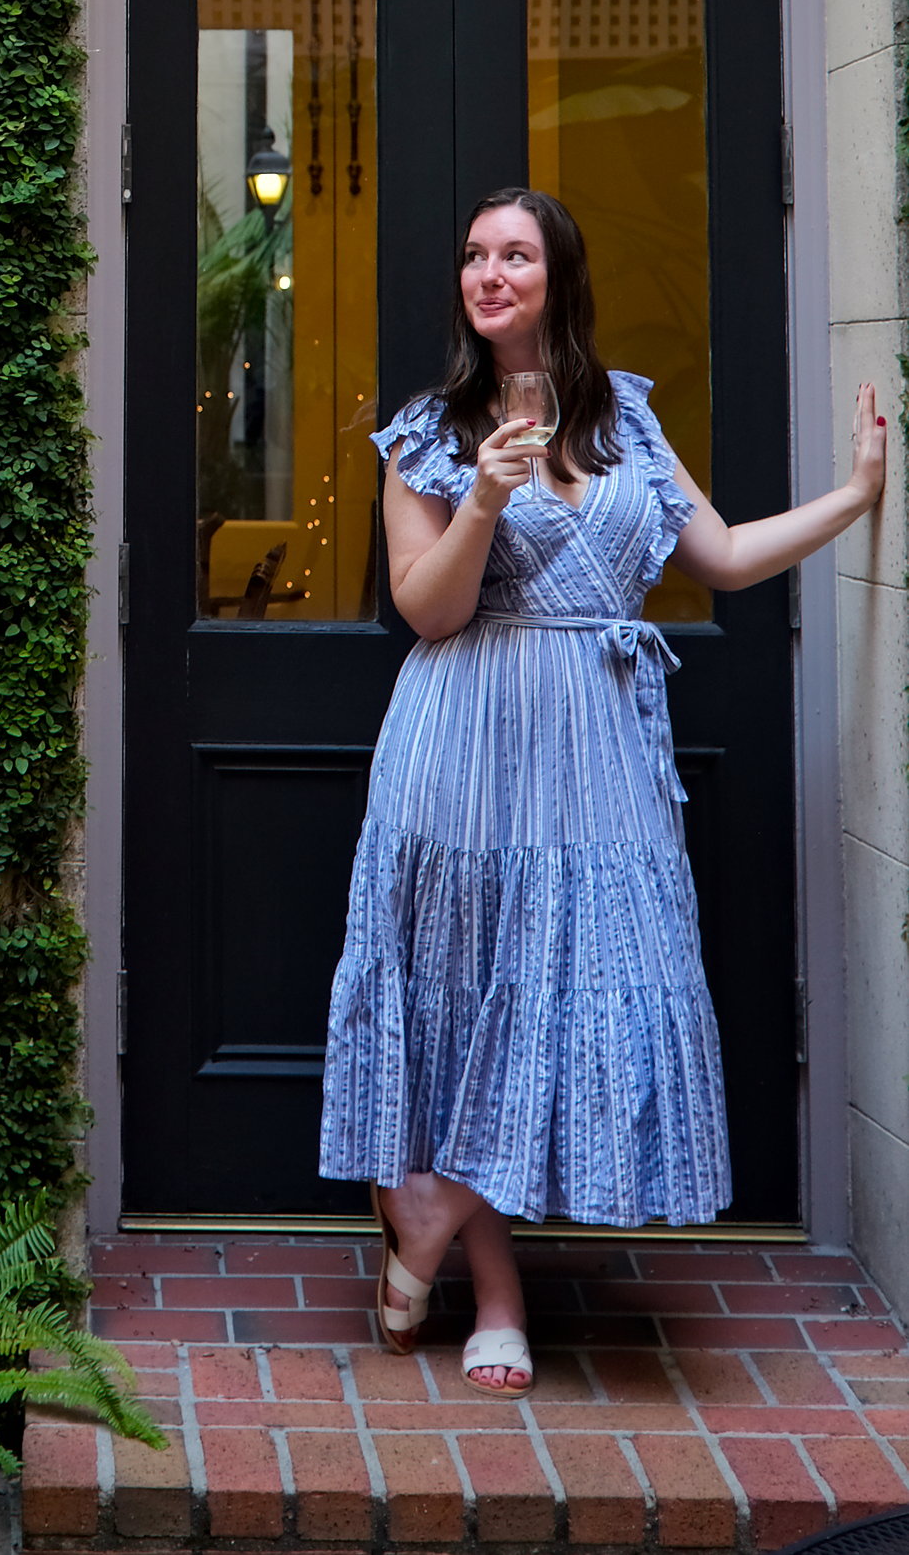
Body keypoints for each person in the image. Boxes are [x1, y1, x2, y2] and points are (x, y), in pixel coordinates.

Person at [317, 187, 887, 1399]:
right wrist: (478, 495)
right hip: (466, 740)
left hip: (603, 746)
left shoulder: (624, 414)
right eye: (472, 254)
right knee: (478, 992)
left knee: (579, 983)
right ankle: (500, 1298)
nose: (488, 272)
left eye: (513, 253)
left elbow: (720, 556)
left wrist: (853, 497)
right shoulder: (428, 429)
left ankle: (423, 1211)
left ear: (557, 275)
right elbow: (424, 607)